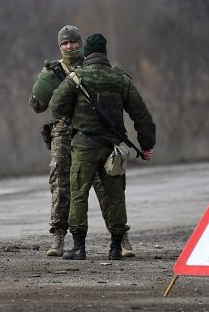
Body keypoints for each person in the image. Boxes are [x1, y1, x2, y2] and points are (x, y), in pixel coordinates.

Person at [30, 26, 135, 257]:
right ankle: (59, 237)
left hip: (92, 134)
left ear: (81, 43)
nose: (70, 47)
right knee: (61, 183)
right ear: (59, 46)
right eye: (65, 43)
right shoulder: (54, 71)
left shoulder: (93, 66)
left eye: (74, 42)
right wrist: (44, 80)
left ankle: (121, 237)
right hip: (63, 135)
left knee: (108, 183)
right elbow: (37, 105)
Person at [50, 33, 156, 260]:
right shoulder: (120, 79)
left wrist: (75, 113)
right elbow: (142, 116)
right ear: (105, 53)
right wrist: (147, 145)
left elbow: (56, 106)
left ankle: (79, 248)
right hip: (112, 148)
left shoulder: (76, 78)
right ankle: (116, 247)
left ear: (86, 53)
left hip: (83, 146)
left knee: (79, 194)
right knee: (116, 196)